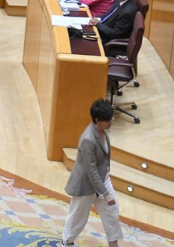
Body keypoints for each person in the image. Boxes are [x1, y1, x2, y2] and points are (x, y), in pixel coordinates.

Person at [62, 99, 121, 247]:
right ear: (97, 120)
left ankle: (113, 244)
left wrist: (105, 191)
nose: (111, 122)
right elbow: (91, 170)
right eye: (108, 120)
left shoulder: (101, 131)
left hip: (102, 178)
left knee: (111, 210)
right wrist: (104, 193)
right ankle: (67, 242)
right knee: (78, 217)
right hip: (86, 184)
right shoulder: (88, 139)